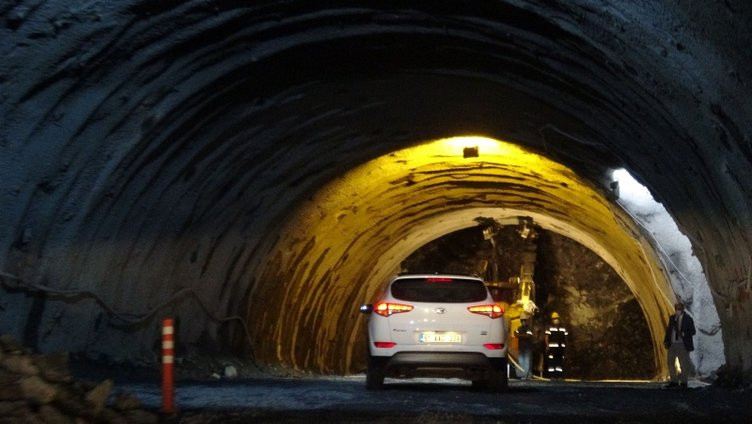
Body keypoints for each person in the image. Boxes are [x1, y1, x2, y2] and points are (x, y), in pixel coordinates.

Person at [663, 302, 696, 388]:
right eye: (676, 308)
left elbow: (693, 331)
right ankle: (674, 380)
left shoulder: (688, 319)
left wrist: (684, 334)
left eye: (679, 308)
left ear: (682, 309)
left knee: (683, 363)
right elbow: (669, 330)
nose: (677, 310)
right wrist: (666, 341)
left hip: (682, 344)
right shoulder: (672, 318)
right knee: (670, 362)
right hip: (672, 344)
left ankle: (684, 382)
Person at [544, 311, 567, 380]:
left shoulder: (563, 328)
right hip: (552, 349)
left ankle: (559, 376)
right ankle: (552, 376)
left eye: (556, 318)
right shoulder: (549, 328)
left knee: (559, 362)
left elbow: (566, 338)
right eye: (554, 319)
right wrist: (547, 345)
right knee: (552, 362)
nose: (555, 320)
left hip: (560, 349)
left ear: (559, 319)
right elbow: (546, 337)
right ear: (552, 320)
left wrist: (566, 347)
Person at [514, 314, 534, 380]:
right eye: (522, 320)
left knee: (527, 362)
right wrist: (522, 335)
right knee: (521, 362)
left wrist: (519, 335)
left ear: (526, 321)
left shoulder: (529, 328)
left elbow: (528, 336)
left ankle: (527, 375)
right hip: (521, 348)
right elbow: (515, 334)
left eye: (524, 320)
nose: (523, 322)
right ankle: (523, 375)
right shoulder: (519, 328)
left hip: (527, 348)